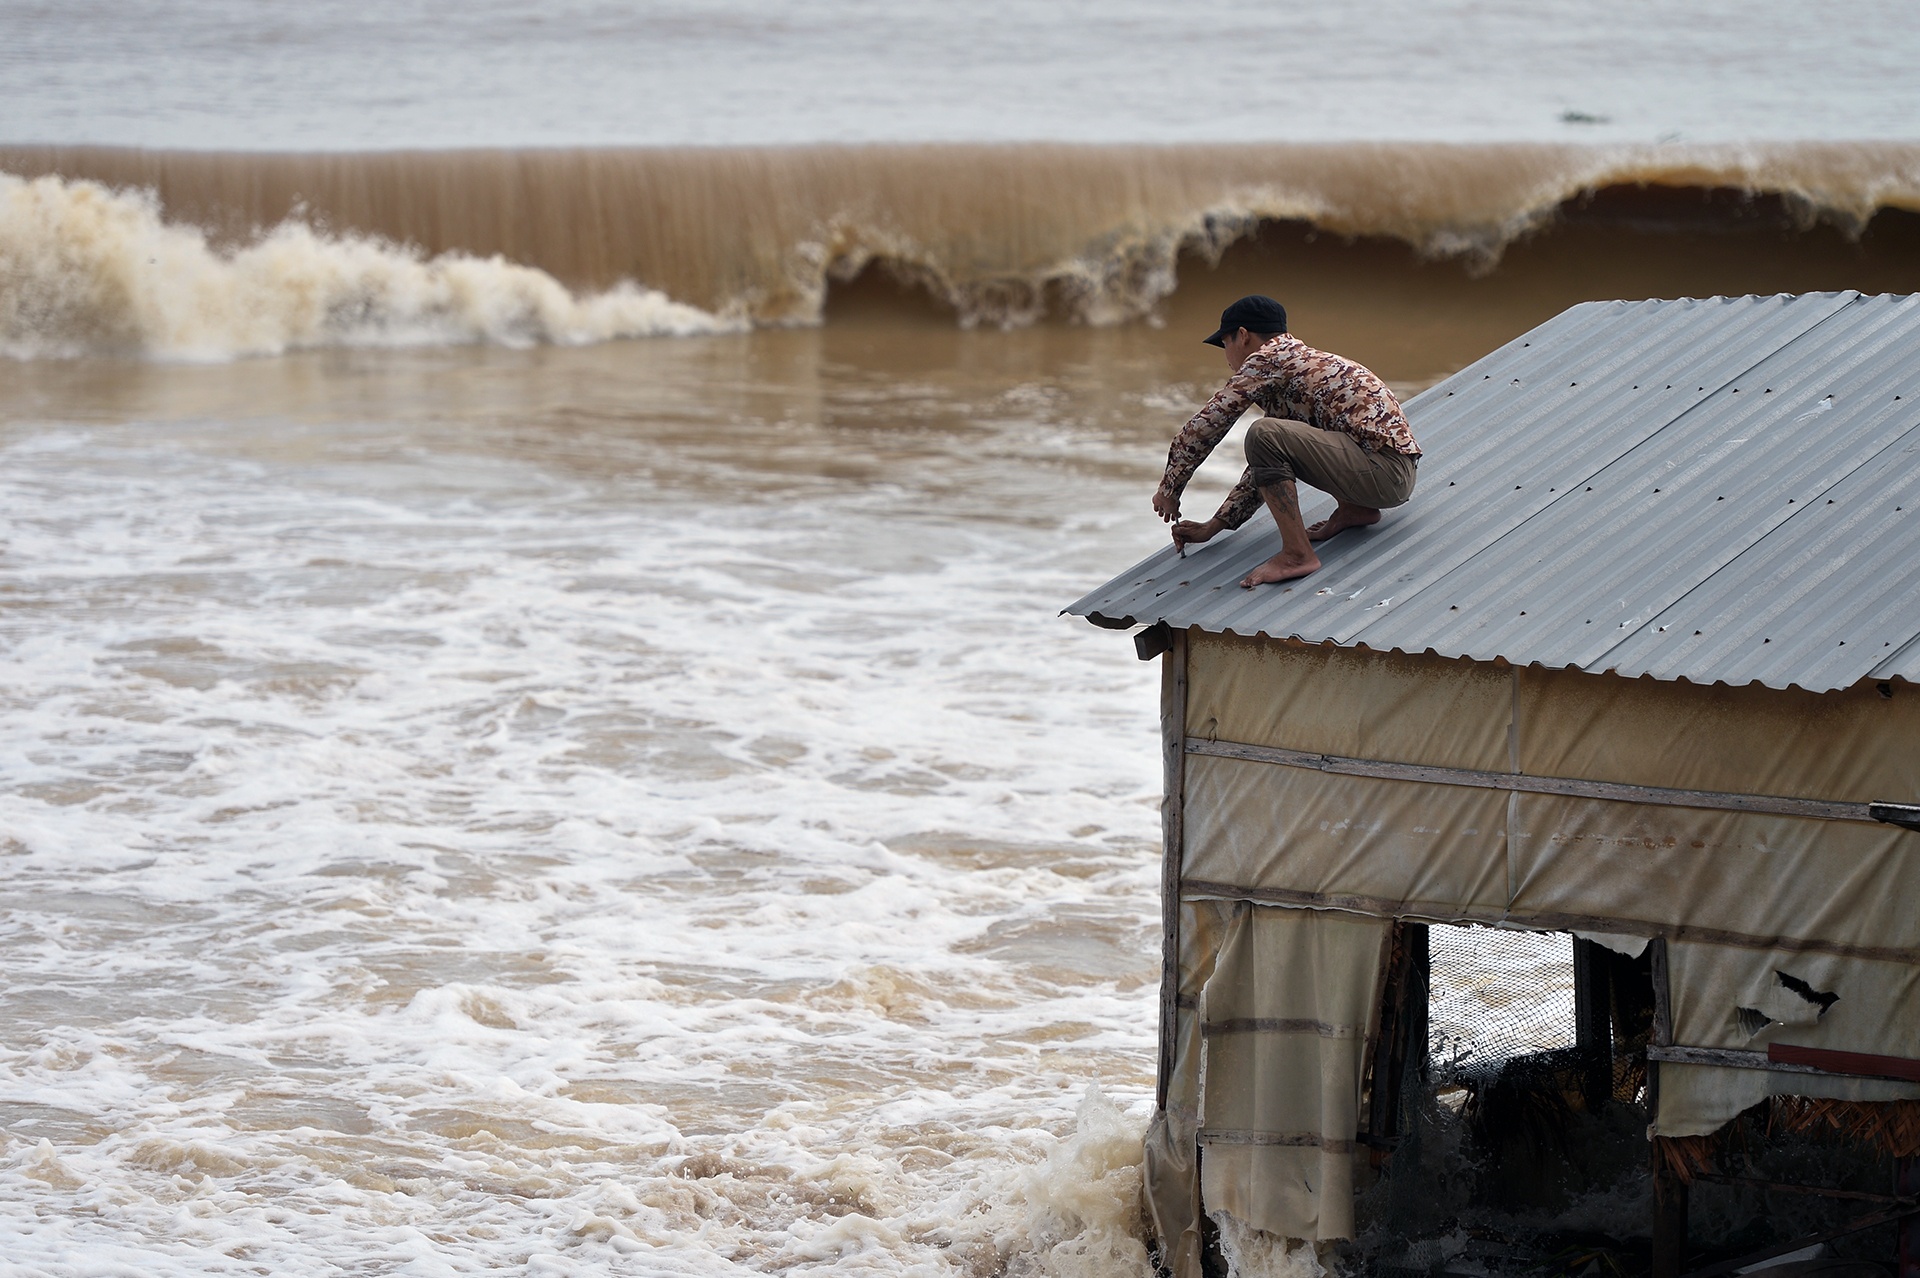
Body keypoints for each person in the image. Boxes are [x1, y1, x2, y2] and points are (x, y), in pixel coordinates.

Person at [1151, 295, 1420, 587]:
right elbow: (1265, 466)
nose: (1226, 357)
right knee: (1270, 435)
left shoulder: (1268, 359)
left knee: (1262, 432)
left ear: (1242, 336)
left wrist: (1169, 488)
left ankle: (1297, 554)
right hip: (1389, 473)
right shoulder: (1298, 362)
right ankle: (1355, 509)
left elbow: (1205, 427)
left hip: (1382, 472)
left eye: (1224, 343)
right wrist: (1213, 527)